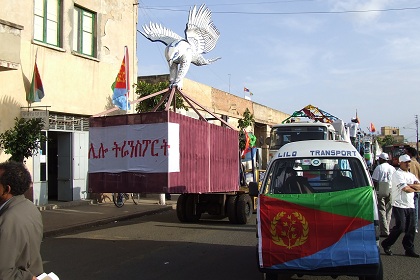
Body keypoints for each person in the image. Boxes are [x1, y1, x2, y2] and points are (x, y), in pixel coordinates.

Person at [0, 161, 44, 279]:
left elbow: (3, 273)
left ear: (6, 189)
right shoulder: (30, 207)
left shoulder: (8, 219)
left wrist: (28, 278)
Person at [381, 155, 420, 258]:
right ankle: (386, 243)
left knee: (411, 228)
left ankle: (409, 249)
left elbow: (418, 187)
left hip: (410, 204)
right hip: (399, 204)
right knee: (400, 227)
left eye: (408, 162)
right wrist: (412, 186)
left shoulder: (411, 175)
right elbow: (405, 189)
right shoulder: (397, 174)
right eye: (405, 162)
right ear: (400, 163)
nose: (407, 164)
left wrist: (410, 185)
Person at [372, 152, 396, 237]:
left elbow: (374, 180)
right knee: (389, 209)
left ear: (381, 159)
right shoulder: (392, 168)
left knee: (382, 209)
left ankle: (385, 231)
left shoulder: (379, 168)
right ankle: (387, 228)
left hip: (381, 187)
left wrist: (374, 191)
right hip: (391, 188)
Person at [406, 147, 420, 233]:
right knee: (416, 208)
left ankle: (409, 226)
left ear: (410, 154)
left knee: (408, 208)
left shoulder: (409, 164)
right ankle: (414, 226)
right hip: (417, 189)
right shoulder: (418, 164)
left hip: (410, 188)